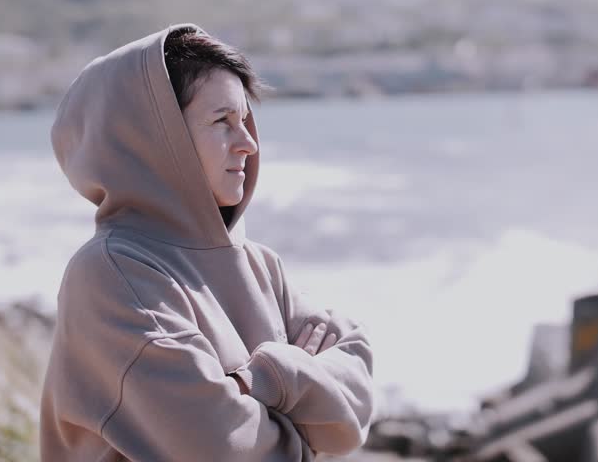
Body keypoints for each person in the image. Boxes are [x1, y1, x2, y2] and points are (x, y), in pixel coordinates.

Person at [39, 23, 375, 461]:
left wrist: (270, 378)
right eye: (223, 121)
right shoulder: (111, 275)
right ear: (156, 140)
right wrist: (308, 412)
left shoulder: (259, 263)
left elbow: (357, 383)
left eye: (246, 120)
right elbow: (222, 449)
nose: (249, 143)